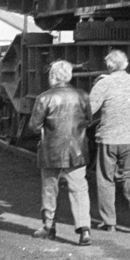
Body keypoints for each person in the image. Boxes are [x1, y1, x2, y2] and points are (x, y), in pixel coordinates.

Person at [26, 60, 93, 246]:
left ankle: (49, 227)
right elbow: (90, 120)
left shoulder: (44, 97)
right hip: (77, 151)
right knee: (79, 190)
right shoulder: (82, 95)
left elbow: (33, 126)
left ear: (53, 76)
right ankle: (84, 229)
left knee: (50, 190)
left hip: (51, 152)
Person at [87, 48, 130, 232]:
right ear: (126, 64)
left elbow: (90, 109)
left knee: (105, 179)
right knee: (128, 175)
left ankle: (109, 221)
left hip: (108, 138)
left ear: (108, 66)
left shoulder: (104, 83)